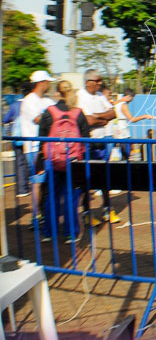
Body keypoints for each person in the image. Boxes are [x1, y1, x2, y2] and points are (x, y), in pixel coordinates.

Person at [38, 80, 90, 242]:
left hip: (53, 161)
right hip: (74, 162)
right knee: (71, 196)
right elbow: (86, 139)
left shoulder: (48, 113)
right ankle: (70, 233)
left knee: (51, 196)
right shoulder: (78, 113)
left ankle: (49, 232)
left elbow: (42, 140)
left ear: (57, 93)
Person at [76, 69, 118, 225]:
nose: (100, 83)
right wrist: (102, 117)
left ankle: (107, 208)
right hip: (88, 142)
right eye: (97, 80)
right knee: (88, 179)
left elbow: (113, 113)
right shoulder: (80, 96)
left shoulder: (101, 96)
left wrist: (97, 117)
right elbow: (87, 121)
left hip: (103, 140)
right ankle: (86, 212)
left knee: (104, 176)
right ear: (88, 82)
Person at [19, 71, 57, 213]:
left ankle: (46, 213)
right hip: (34, 147)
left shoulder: (47, 101)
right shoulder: (29, 100)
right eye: (48, 82)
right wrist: (52, 116)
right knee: (38, 182)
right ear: (42, 83)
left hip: (47, 147)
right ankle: (37, 216)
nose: (49, 85)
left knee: (47, 182)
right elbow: (38, 119)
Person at [4, 81, 33, 198]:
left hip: (17, 137)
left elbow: (6, 119)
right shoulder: (31, 104)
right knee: (29, 163)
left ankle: (22, 189)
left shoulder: (15, 105)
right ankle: (29, 185)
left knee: (19, 163)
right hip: (29, 137)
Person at [112, 90, 153, 161]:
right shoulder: (123, 105)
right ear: (128, 97)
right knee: (126, 152)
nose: (131, 101)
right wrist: (144, 116)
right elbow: (132, 119)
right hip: (123, 131)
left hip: (115, 129)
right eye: (131, 99)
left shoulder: (115, 103)